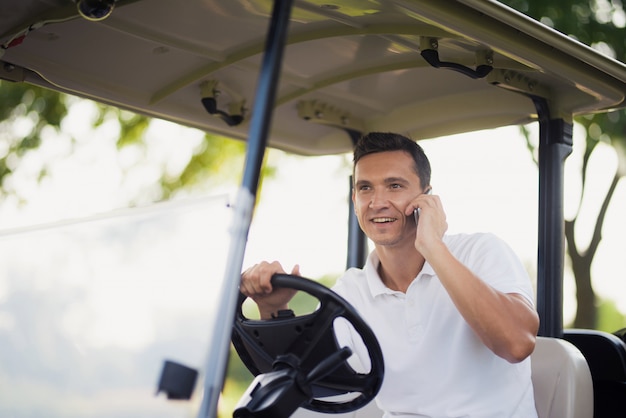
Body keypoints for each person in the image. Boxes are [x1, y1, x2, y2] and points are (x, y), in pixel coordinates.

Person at [240, 132, 540, 417]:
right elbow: (307, 380)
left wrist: (433, 246)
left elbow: (517, 344)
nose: (377, 201)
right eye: (365, 187)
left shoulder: (480, 251)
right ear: (354, 199)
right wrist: (273, 309)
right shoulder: (351, 290)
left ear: (427, 198)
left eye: (394, 186)